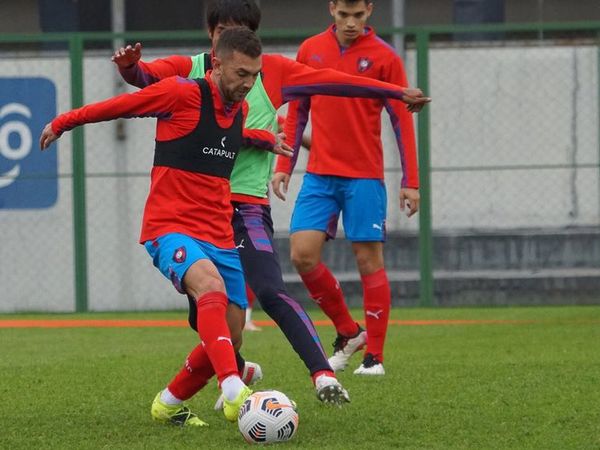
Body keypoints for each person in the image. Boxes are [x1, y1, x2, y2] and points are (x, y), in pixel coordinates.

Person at [112, 0, 429, 403]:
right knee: (209, 312)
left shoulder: (273, 71)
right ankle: (223, 375)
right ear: (211, 38)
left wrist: (395, 92)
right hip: (196, 212)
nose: (229, 41)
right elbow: (144, 77)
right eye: (221, 32)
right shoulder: (188, 69)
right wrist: (128, 68)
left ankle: (323, 376)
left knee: (272, 290)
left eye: (239, 32)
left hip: (246, 207)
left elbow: (334, 81)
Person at [40, 27, 292, 426]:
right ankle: (234, 391)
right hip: (169, 227)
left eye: (254, 75)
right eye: (241, 73)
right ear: (217, 63)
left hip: (219, 234)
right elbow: (121, 106)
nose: (249, 83)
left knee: (229, 335)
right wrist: (64, 121)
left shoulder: (238, 110)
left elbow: (226, 136)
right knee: (208, 287)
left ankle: (168, 404)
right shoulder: (182, 93)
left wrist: (263, 139)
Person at [272, 0, 422, 376]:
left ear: (370, 10)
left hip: (364, 177)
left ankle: (374, 357)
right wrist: (284, 165)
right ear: (332, 9)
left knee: (369, 261)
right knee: (302, 255)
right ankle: (348, 331)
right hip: (319, 176)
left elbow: (402, 121)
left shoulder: (385, 57)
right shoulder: (310, 50)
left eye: (358, 15)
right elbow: (297, 112)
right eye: (344, 15)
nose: (351, 23)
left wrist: (411, 182)